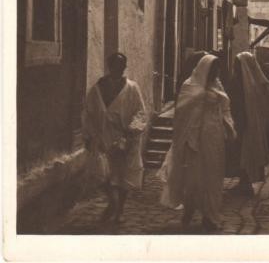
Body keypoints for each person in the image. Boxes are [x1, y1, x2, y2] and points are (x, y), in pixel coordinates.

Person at [158, 54, 235, 232]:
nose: (216, 72)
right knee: (194, 176)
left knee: (213, 175)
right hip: (195, 137)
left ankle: (210, 214)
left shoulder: (217, 85)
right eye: (213, 68)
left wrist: (229, 126)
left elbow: (225, 107)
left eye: (218, 69)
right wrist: (187, 138)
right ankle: (191, 208)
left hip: (213, 136)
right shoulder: (190, 86)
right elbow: (182, 113)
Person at [82, 52, 146, 224]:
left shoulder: (132, 88)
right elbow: (88, 113)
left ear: (125, 67)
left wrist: (132, 129)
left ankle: (119, 210)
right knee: (103, 174)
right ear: (110, 67)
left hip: (125, 137)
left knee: (124, 176)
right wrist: (88, 135)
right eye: (115, 65)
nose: (119, 69)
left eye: (122, 65)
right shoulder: (97, 88)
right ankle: (112, 202)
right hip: (103, 137)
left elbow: (140, 112)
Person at [227, 51, 269, 196]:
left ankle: (245, 185)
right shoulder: (258, 84)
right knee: (246, 154)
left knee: (243, 154)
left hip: (243, 123)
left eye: (236, 64)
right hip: (254, 124)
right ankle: (245, 183)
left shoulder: (239, 83)